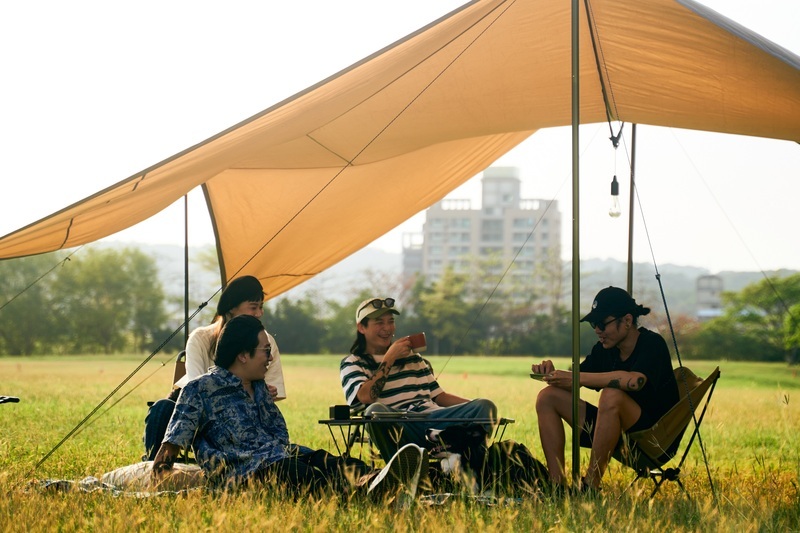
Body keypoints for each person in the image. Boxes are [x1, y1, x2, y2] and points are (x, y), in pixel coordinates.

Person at [152, 314, 425, 500]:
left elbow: (280, 438)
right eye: (265, 351)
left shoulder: (258, 388)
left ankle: (383, 485)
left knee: (330, 461)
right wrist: (163, 488)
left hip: (280, 457)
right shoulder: (199, 390)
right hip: (245, 473)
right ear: (243, 355)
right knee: (299, 474)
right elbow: (170, 447)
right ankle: (371, 494)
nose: (270, 358)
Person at [531, 286, 679, 492]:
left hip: (652, 441)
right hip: (613, 432)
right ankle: (557, 486)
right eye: (594, 324)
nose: (597, 330)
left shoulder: (652, 344)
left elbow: (634, 381)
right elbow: (577, 382)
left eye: (602, 323)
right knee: (547, 397)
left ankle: (590, 486)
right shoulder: (604, 350)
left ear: (627, 321)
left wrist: (576, 378)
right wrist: (555, 376)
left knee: (612, 395)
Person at [142, 275, 286, 461]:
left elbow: (270, 390)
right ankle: (155, 468)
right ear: (231, 308)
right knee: (162, 409)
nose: (259, 313)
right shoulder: (201, 338)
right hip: (201, 412)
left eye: (261, 307)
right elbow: (195, 388)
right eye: (253, 307)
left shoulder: (265, 342)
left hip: (243, 415)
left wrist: (264, 393)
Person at [340, 296, 497, 463]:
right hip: (402, 425)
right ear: (361, 328)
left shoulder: (412, 357)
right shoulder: (352, 363)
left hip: (434, 419)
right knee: (374, 412)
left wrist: (475, 407)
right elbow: (367, 397)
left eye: (391, 321)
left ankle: (471, 468)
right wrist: (390, 357)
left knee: (485, 405)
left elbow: (439, 397)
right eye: (379, 322)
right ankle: (404, 470)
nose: (387, 328)